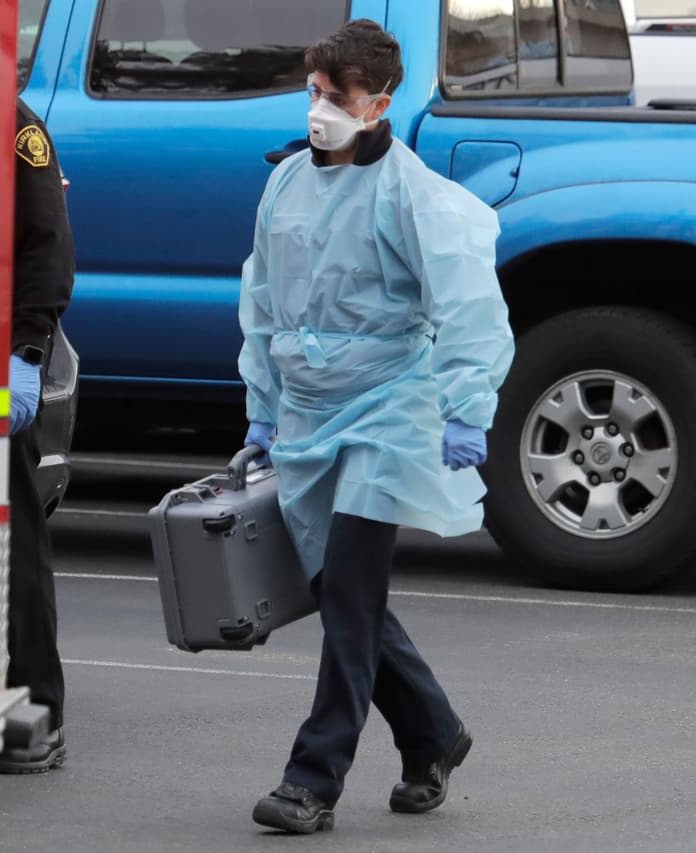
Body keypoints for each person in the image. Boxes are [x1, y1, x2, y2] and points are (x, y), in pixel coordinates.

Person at [237, 20, 514, 833]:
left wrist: (468, 410)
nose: (319, 109)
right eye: (315, 92)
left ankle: (311, 778)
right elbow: (261, 298)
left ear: (379, 103)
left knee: (351, 594)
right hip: (307, 412)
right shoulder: (285, 182)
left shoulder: (414, 194)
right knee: (338, 596)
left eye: (336, 97)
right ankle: (434, 732)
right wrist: (260, 401)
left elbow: (470, 307)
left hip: (388, 409)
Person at [0, 97, 76, 774]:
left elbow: (46, 241)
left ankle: (37, 706)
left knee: (13, 531)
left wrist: (26, 353)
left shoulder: (12, 127)